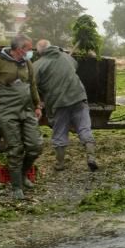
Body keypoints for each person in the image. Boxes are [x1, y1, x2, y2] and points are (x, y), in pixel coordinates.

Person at [0, 34, 44, 200]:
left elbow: (32, 84)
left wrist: (37, 105)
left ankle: (23, 174)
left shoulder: (27, 63)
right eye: (28, 48)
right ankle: (16, 186)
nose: (31, 51)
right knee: (16, 148)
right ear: (19, 49)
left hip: (26, 109)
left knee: (35, 146)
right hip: (7, 110)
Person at [34, 39, 98, 171]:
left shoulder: (37, 65)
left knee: (60, 132)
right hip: (78, 97)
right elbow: (74, 66)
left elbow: (33, 85)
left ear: (39, 52)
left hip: (59, 102)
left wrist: (38, 101)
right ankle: (91, 157)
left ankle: (60, 163)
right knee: (84, 128)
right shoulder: (66, 57)